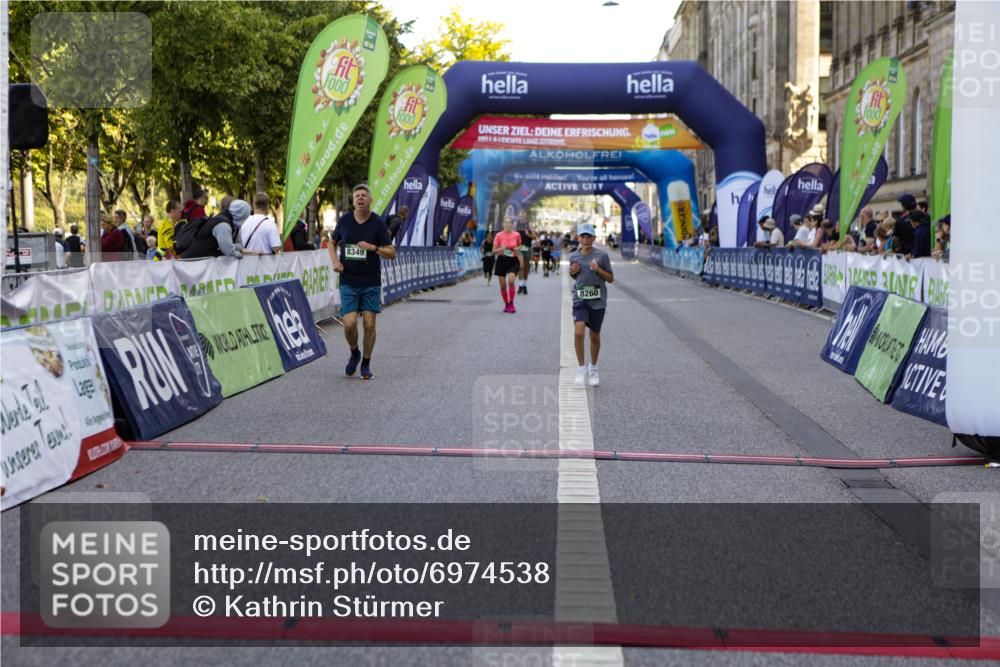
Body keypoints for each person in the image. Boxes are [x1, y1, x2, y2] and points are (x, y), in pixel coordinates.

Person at [329, 184, 396, 380]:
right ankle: (354, 352)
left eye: (363, 195)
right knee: (349, 323)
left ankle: (366, 362)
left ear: (370, 200)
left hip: (370, 281)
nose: (360, 198)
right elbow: (332, 242)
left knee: (369, 325)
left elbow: (392, 253)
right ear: (353, 201)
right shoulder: (345, 220)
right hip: (348, 280)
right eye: (356, 195)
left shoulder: (377, 223)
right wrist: (335, 261)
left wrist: (374, 248)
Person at [569, 222, 614, 387]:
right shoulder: (573, 256)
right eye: (583, 236)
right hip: (580, 299)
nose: (586, 239)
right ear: (579, 238)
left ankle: (593, 368)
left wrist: (599, 270)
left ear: (594, 238)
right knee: (579, 333)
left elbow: (610, 278)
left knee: (594, 336)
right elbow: (576, 277)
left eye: (589, 236)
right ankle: (581, 369)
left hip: (598, 301)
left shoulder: (602, 256)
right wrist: (572, 273)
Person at [181, 199, 250, 259]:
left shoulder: (234, 225)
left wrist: (231, 246)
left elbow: (239, 245)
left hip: (204, 263)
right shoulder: (223, 225)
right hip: (193, 263)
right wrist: (238, 254)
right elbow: (228, 250)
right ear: (242, 215)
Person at [492, 216, 522, 313]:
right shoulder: (498, 235)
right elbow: (493, 251)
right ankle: (506, 305)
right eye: (505, 222)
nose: (507, 224)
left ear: (512, 224)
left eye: (509, 223)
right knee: (503, 286)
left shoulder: (516, 235)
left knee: (511, 280)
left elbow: (520, 245)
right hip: (502, 260)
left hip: (513, 260)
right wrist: (501, 248)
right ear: (503, 224)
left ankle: (512, 303)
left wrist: (517, 248)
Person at [514, 209, 536, 294]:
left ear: (526, 216)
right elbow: (513, 235)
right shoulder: (517, 224)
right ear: (519, 216)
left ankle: (524, 285)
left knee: (526, 268)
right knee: (521, 266)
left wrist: (528, 234)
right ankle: (520, 285)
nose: (522, 216)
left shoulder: (529, 224)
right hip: (519, 248)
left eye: (524, 215)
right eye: (521, 215)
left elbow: (534, 236)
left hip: (528, 247)